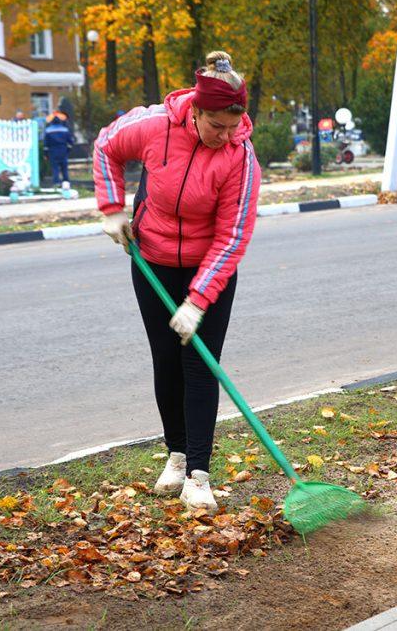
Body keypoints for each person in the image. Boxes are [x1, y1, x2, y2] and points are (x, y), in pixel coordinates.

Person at [93, 51, 261, 514]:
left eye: (235, 126)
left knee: (200, 366)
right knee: (166, 360)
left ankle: (199, 476)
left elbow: (233, 235)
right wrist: (112, 208)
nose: (227, 136)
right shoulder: (153, 126)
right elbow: (107, 146)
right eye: (217, 127)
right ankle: (177, 454)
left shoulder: (240, 156)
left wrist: (198, 301)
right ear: (197, 111)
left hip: (211, 268)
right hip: (154, 262)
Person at [44, 112, 75, 188]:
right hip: (63, 150)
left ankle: (56, 183)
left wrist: (46, 154)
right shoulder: (65, 130)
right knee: (64, 167)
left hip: (53, 150)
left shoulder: (48, 131)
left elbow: (46, 144)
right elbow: (70, 142)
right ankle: (66, 182)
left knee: (55, 168)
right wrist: (68, 150)